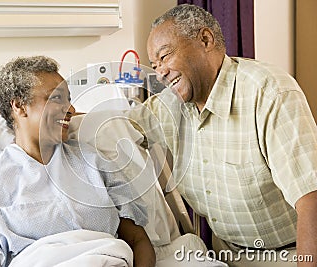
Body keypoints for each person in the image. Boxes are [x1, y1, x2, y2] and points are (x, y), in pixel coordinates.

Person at [128, 3, 317, 266]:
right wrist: (61, 113)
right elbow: (119, 126)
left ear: (205, 40)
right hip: (225, 254)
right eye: (154, 64)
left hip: (290, 252)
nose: (159, 72)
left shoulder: (268, 92)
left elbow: (311, 198)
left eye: (166, 56)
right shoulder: (170, 107)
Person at [0, 56, 156, 267]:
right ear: (20, 106)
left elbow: (138, 240)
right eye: (56, 98)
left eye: (69, 99)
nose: (70, 109)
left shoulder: (96, 163)